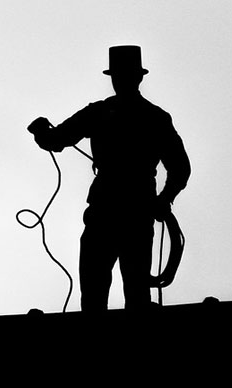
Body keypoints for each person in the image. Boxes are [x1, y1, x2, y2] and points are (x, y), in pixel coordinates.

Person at [28, 45, 191, 312]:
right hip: (135, 209)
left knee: (99, 289)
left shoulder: (102, 113)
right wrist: (164, 199)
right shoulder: (153, 117)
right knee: (128, 288)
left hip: (112, 209)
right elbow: (180, 169)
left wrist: (40, 133)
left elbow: (55, 140)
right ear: (139, 77)